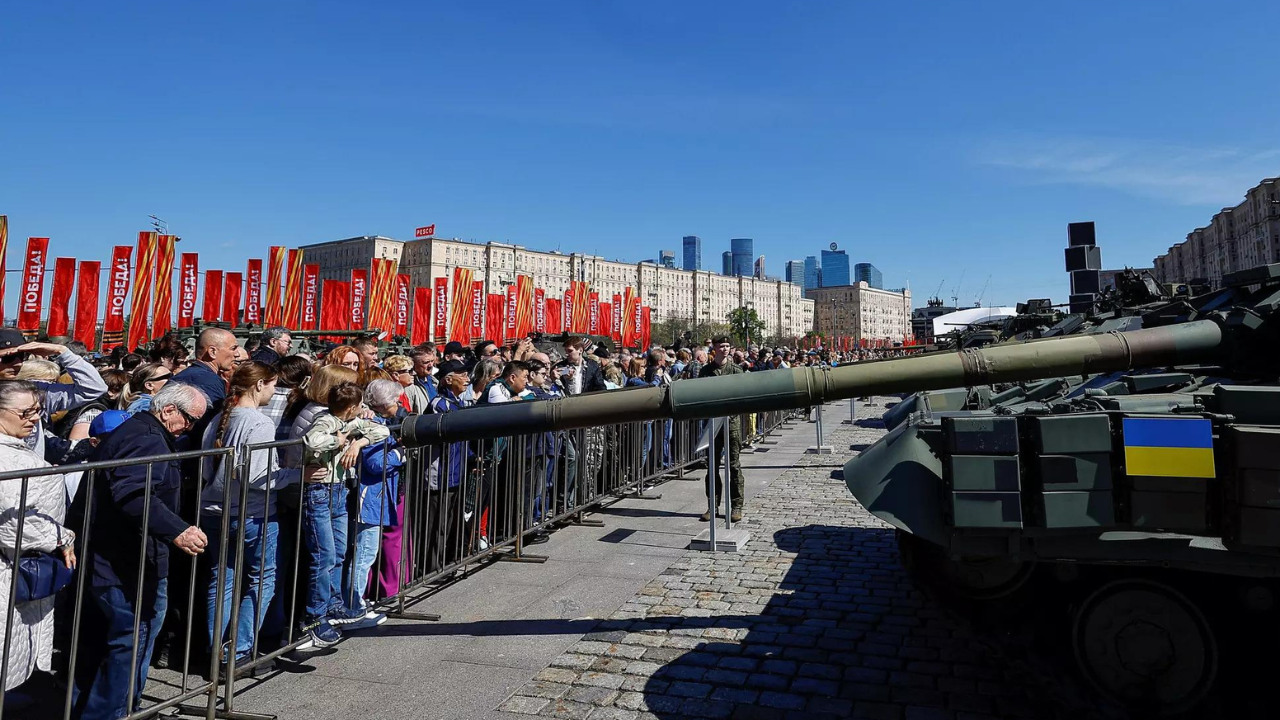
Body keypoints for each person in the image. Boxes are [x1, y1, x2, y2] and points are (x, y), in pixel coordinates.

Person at [76, 383, 209, 720]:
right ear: (168, 411)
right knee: (130, 638)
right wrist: (177, 530)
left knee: (131, 637)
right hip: (124, 558)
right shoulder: (144, 436)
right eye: (190, 421)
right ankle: (111, 713)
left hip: (129, 554)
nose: (190, 429)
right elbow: (134, 495)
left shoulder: (146, 432)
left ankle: (123, 708)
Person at [200, 361, 286, 668]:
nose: (275, 392)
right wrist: (295, 475)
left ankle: (216, 651)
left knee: (221, 580)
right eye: (274, 384)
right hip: (251, 513)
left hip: (214, 511)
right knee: (262, 579)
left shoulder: (218, 419)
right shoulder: (258, 422)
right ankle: (237, 651)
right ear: (260, 384)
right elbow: (257, 476)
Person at [298, 380, 389, 645]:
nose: (363, 409)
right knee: (323, 556)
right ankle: (315, 617)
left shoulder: (352, 422)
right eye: (359, 405)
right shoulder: (326, 421)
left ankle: (334, 605)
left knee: (339, 551)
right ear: (350, 407)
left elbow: (381, 430)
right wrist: (337, 441)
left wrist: (357, 443)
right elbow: (312, 439)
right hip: (319, 493)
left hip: (338, 491)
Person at [0, 380, 77, 692]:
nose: (33, 418)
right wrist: (61, 536)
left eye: (37, 411)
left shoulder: (18, 452)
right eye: (25, 412)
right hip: (11, 568)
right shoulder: (11, 460)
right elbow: (13, 525)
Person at [345, 380, 404, 622]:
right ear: (383, 404)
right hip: (370, 496)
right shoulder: (373, 424)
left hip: (376, 496)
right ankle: (353, 608)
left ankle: (355, 603)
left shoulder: (375, 422)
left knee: (365, 552)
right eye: (395, 400)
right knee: (364, 553)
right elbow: (374, 464)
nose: (399, 404)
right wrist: (400, 453)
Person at [0, 332, 109, 456]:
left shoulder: (34, 390)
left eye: (21, 356)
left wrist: (61, 351)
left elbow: (95, 388)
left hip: (31, 470)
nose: (18, 363)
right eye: (8, 358)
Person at [700, 336, 745, 523]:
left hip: (731, 422)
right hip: (713, 423)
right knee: (712, 466)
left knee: (734, 465)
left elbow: (743, 394)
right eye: (722, 346)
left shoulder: (736, 370)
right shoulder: (706, 371)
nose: (725, 349)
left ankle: (736, 506)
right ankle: (713, 505)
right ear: (715, 349)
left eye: (728, 346)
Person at [170, 328, 238, 433]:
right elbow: (212, 425)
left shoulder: (190, 374)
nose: (237, 354)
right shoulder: (208, 380)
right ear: (212, 351)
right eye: (233, 348)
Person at [407, 345, 438, 410]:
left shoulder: (435, 382)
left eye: (432, 361)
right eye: (426, 362)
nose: (431, 365)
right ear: (414, 364)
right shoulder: (410, 386)